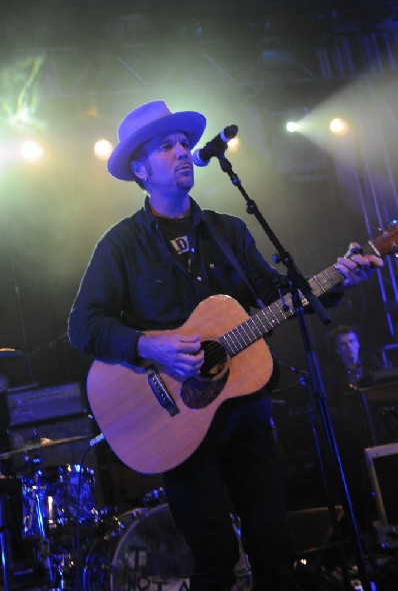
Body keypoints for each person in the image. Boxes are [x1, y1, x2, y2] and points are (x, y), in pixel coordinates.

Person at [68, 100, 383, 591]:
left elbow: (278, 296)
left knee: (275, 553)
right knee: (214, 562)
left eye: (184, 144)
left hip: (245, 413)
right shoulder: (120, 246)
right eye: (166, 146)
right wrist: (151, 346)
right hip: (175, 423)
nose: (182, 153)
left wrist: (338, 277)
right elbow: (83, 326)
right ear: (139, 168)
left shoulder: (228, 230)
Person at [323, 325, 384, 530]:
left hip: (377, 431)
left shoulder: (373, 364)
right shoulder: (331, 375)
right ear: (337, 350)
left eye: (351, 342)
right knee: (358, 487)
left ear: (358, 343)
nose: (349, 347)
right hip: (350, 439)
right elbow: (333, 409)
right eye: (343, 344)